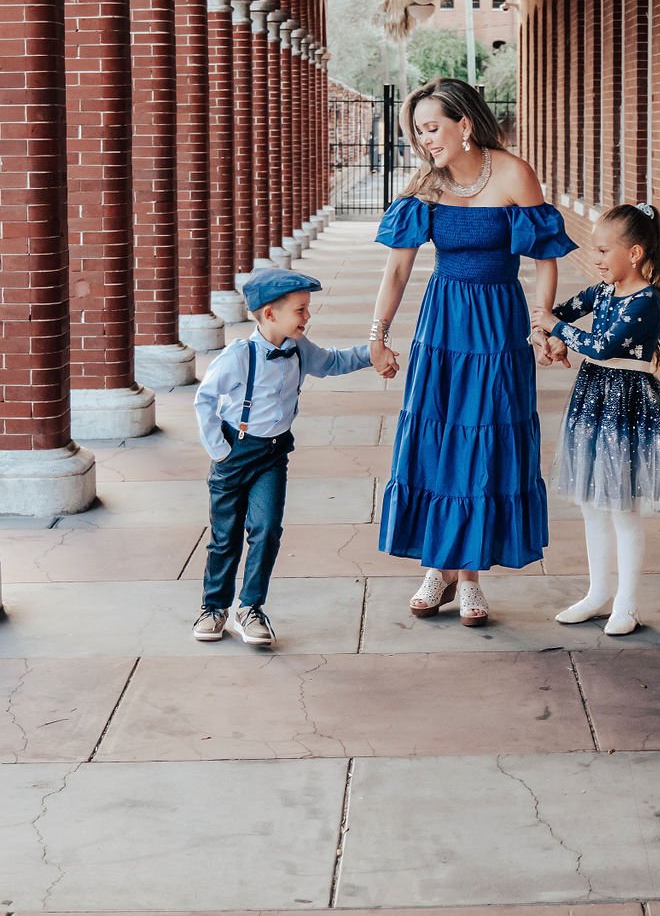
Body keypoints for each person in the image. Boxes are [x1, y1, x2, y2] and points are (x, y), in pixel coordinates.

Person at [370, 77, 576, 628]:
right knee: (438, 440)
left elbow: (545, 257)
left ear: (464, 123)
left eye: (432, 127)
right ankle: (439, 567)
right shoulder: (425, 186)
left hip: (499, 326)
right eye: (417, 131)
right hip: (443, 326)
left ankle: (470, 577)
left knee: (485, 441)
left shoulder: (513, 173)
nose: (424, 140)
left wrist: (541, 322)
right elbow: (397, 268)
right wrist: (378, 334)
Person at [192, 268, 388, 647]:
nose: (307, 318)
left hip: (273, 454)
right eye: (300, 310)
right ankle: (214, 607)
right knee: (224, 536)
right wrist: (220, 450)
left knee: (266, 529)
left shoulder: (299, 348)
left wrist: (371, 354)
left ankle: (249, 607)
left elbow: (331, 362)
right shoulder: (239, 356)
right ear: (270, 314)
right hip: (235, 452)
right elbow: (205, 400)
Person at [531, 202, 660, 637]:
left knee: (624, 508)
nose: (595, 260)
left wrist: (556, 331)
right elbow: (561, 314)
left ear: (633, 253)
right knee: (593, 504)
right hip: (593, 401)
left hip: (629, 404)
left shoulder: (646, 301)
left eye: (602, 251)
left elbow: (600, 346)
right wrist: (548, 336)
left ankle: (627, 604)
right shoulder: (601, 292)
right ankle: (598, 594)